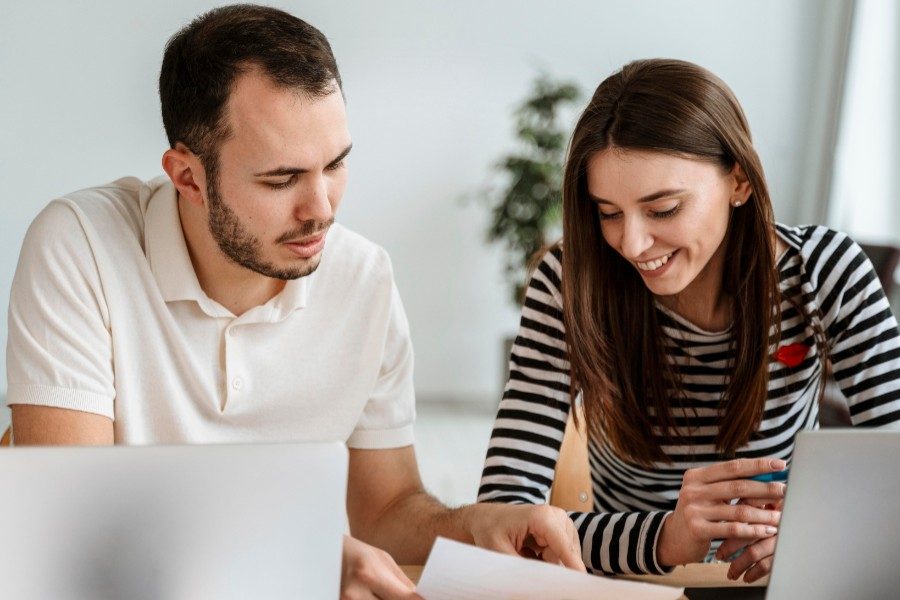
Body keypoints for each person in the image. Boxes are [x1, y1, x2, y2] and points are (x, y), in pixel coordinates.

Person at [4, 5, 584, 598]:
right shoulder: (80, 244)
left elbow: (385, 510)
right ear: (187, 177)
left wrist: (472, 525)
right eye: (281, 180)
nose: (322, 209)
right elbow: (72, 519)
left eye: (335, 164)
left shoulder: (364, 278)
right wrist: (296, 555)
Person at [478, 58, 900, 583]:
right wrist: (664, 537)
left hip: (784, 581)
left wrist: (821, 532)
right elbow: (505, 524)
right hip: (634, 587)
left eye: (664, 209)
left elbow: (894, 483)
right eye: (609, 213)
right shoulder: (569, 282)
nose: (631, 244)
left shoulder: (824, 271)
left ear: (739, 180)